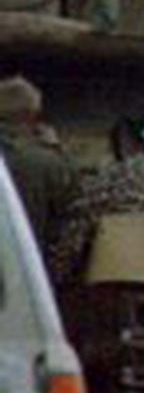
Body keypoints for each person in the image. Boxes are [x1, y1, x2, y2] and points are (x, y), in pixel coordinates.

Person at [0, 76, 78, 262]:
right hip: (23, 264)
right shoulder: (46, 161)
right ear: (33, 116)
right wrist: (57, 149)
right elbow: (73, 201)